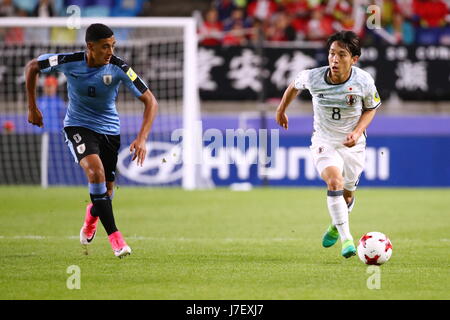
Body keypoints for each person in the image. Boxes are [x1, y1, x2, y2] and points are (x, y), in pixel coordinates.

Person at [25, 23, 159, 258]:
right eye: (105, 46)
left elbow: (151, 101)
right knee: (95, 173)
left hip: (109, 132)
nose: (111, 51)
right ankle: (116, 240)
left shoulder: (119, 68)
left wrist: (142, 138)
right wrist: (32, 107)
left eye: (113, 45)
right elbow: (33, 66)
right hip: (78, 126)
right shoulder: (69, 61)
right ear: (90, 46)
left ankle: (91, 216)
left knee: (107, 191)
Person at [275, 31, 381, 259]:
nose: (334, 59)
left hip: (353, 144)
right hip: (324, 141)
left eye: (341, 55)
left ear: (354, 59)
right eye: (332, 54)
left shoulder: (363, 80)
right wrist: (281, 109)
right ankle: (347, 239)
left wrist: (357, 131)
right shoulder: (313, 77)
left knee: (348, 195)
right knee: (335, 182)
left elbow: (371, 108)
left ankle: (336, 225)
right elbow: (294, 86)